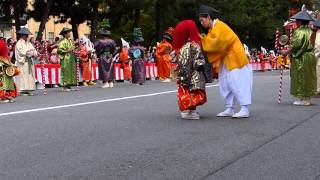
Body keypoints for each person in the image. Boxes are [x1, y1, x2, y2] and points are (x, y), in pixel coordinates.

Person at [199, 5, 253, 118]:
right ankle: (229, 108)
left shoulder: (220, 27)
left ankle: (245, 108)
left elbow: (216, 44)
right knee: (225, 83)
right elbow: (213, 42)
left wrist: (201, 40)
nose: (201, 23)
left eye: (202, 20)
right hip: (226, 59)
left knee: (238, 83)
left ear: (208, 17)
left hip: (236, 59)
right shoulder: (214, 28)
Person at [173, 20, 207, 120]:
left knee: (187, 91)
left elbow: (183, 62)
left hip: (186, 74)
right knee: (194, 91)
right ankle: (191, 110)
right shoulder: (194, 45)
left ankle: (188, 110)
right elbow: (199, 61)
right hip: (194, 73)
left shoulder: (184, 47)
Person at [282, 10, 317, 105]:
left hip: (302, 57)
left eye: (297, 21)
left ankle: (301, 97)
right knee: (309, 76)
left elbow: (295, 46)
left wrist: (285, 52)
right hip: (311, 55)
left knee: (300, 76)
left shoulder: (299, 32)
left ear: (300, 22)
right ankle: (307, 98)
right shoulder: (312, 31)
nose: (296, 23)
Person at [15, 28, 39, 96]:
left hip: (29, 62)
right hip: (23, 62)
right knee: (23, 76)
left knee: (29, 76)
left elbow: (33, 50)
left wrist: (34, 53)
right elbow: (23, 53)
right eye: (25, 35)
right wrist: (31, 52)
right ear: (22, 35)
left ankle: (28, 89)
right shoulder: (19, 43)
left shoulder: (29, 43)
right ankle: (22, 90)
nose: (27, 37)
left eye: (27, 35)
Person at [57, 27, 77, 92]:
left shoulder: (70, 41)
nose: (70, 33)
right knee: (65, 71)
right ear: (65, 34)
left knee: (70, 71)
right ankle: (64, 86)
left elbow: (72, 49)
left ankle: (69, 85)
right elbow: (59, 50)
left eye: (70, 32)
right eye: (68, 32)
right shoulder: (62, 42)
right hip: (65, 58)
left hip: (71, 58)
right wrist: (68, 50)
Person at [314, 19, 320, 95]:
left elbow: (318, 48)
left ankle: (318, 90)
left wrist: (313, 58)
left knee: (318, 76)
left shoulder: (318, 35)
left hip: (319, 60)